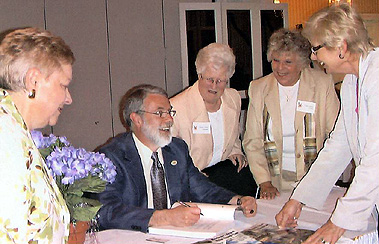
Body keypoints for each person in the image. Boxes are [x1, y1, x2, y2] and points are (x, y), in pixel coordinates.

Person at [275, 4, 378, 244]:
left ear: (341, 47)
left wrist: (338, 223)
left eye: (316, 49)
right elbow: (338, 145)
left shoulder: (376, 77)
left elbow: (376, 160)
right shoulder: (353, 81)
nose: (313, 57)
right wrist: (298, 199)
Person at [95, 84, 257, 232]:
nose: (169, 119)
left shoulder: (176, 149)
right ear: (137, 119)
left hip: (177, 235)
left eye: (169, 112)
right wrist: (163, 217)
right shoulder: (111, 156)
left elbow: (202, 189)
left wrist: (237, 200)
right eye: (160, 113)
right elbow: (105, 211)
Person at [242, 28, 340, 200]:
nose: (280, 68)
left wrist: (321, 178)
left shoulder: (322, 84)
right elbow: (253, 141)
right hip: (274, 183)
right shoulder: (258, 88)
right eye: (275, 60)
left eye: (288, 62)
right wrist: (264, 182)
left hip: (316, 178)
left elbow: (335, 135)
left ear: (302, 63)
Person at [0, 28, 75, 243]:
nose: (68, 98)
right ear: (33, 81)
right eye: (64, 85)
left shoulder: (15, 131)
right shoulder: (5, 139)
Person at [170, 43, 257, 197]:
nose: (214, 86)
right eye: (210, 79)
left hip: (222, 176)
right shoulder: (176, 107)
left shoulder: (233, 98)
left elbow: (234, 135)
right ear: (199, 74)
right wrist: (191, 175)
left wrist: (235, 150)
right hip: (193, 184)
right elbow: (170, 156)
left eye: (221, 80)